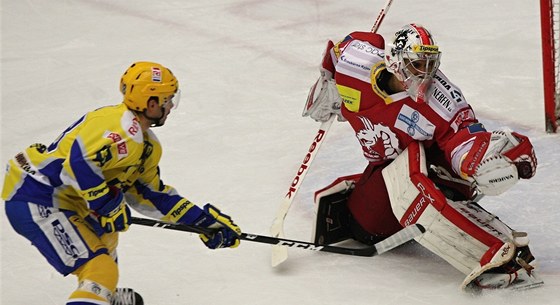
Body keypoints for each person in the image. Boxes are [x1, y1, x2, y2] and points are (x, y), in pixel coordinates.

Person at [304, 24, 543, 292]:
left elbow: (462, 136)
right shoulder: (356, 65)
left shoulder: (442, 99)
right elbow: (340, 51)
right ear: (395, 61)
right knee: (364, 226)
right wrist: (327, 80)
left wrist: (479, 159)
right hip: (384, 172)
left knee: (410, 169)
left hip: (436, 174)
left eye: (430, 64)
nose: (425, 73)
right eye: (417, 64)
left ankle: (492, 253)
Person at [2, 61, 242, 305]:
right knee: (101, 269)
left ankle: (99, 295)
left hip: (65, 200)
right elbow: (79, 165)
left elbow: (150, 195)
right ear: (151, 104)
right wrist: (107, 205)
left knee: (107, 239)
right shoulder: (119, 126)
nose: (170, 106)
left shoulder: (146, 144)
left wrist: (202, 222)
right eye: (167, 100)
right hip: (36, 195)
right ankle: (98, 289)